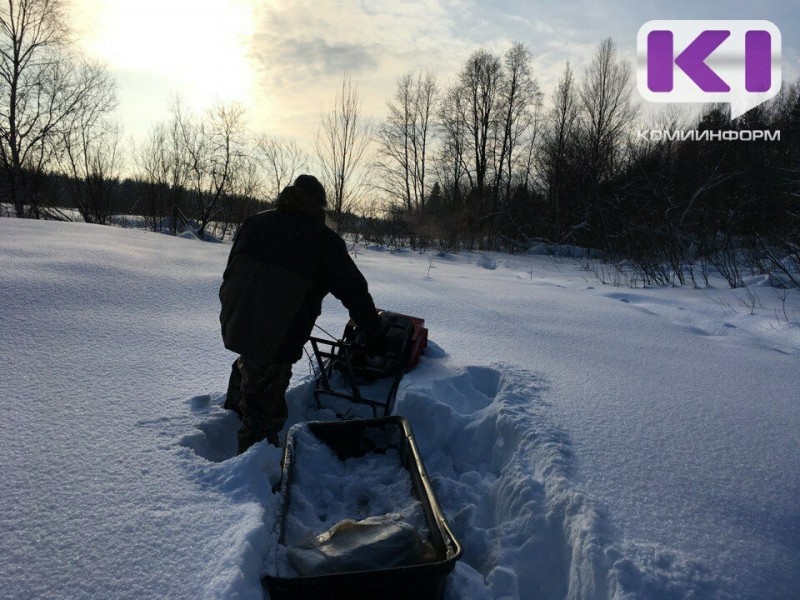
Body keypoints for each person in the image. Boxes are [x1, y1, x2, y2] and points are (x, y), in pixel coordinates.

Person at [219, 174, 384, 453]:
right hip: (276, 336)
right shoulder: (323, 240)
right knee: (264, 416)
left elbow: (230, 271)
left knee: (251, 361)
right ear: (319, 207)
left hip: (235, 319)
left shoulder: (255, 222)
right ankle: (252, 478)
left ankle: (231, 416)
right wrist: (374, 331)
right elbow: (354, 290)